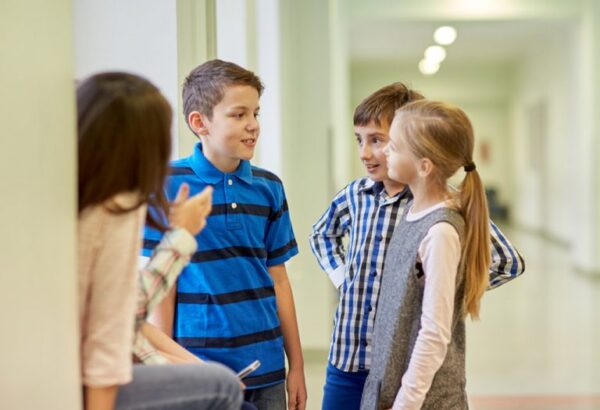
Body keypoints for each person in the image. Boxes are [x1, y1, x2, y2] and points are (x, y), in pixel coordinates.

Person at [309, 83, 525, 410]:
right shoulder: (356, 195)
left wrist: (441, 290)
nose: (365, 153)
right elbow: (321, 234)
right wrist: (343, 280)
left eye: (379, 140)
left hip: (402, 367)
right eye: (359, 140)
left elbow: (507, 262)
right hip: (348, 357)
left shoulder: (438, 208)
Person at [143, 59, 307, 410]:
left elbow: (279, 279)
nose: (253, 125)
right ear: (199, 122)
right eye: (238, 115)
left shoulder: (269, 187)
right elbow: (163, 284)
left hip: (266, 368)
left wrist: (296, 365)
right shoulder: (167, 184)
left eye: (256, 113)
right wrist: (166, 371)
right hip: (197, 369)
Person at [77, 72, 242, 410]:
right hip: (90, 380)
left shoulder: (73, 201)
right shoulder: (117, 208)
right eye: (238, 114)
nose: (252, 125)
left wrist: (183, 363)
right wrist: (182, 236)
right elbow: (112, 332)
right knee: (224, 386)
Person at [361, 99, 492, 409]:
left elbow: (434, 334)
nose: (384, 151)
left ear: (424, 166)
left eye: (394, 146)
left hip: (424, 399)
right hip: (391, 385)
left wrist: (405, 403)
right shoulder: (412, 210)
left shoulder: (440, 232)